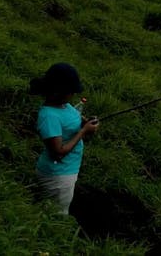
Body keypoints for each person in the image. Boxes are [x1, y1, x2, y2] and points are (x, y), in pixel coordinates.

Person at [30, 62, 99, 215]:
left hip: (67, 170)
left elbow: (74, 118)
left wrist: (86, 122)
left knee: (49, 209)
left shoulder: (65, 106)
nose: (74, 95)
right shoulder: (49, 116)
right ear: (58, 91)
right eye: (71, 91)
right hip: (58, 176)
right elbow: (58, 152)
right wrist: (83, 131)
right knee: (56, 216)